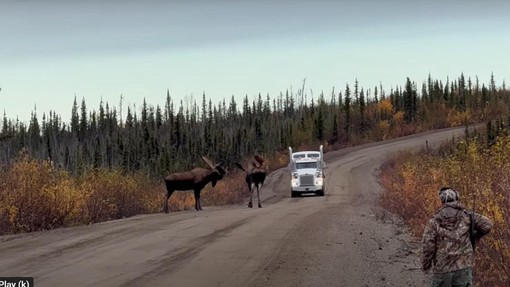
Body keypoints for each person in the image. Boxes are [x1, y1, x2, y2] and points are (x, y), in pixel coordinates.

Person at [421, 187, 493, 287]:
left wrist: (426, 265)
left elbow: (428, 245)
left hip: (442, 269)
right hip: (463, 267)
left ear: (441, 200)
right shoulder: (468, 216)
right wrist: (475, 235)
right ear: (456, 198)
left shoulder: (434, 221)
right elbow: (488, 225)